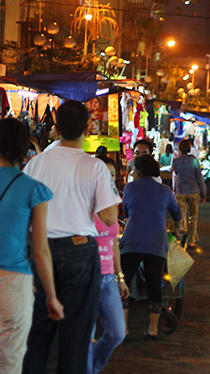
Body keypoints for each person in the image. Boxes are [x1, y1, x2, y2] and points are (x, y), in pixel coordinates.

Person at [22, 100, 121, 374]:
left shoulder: (35, 165)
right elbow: (110, 218)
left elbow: (25, 212)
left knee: (37, 334)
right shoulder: (95, 168)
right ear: (88, 127)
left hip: (41, 251)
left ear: (55, 127)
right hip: (79, 253)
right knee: (76, 337)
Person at [0, 118, 63, 374]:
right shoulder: (33, 189)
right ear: (23, 147)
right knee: (10, 360)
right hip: (14, 284)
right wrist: (51, 296)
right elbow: (40, 250)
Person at [119, 154, 183, 339]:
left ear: (138, 172)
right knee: (155, 285)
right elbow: (176, 212)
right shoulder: (165, 190)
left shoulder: (129, 188)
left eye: (133, 170)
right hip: (156, 242)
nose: (132, 172)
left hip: (132, 241)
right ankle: (153, 329)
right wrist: (178, 228)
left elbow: (127, 210)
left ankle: (123, 329)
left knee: (123, 284)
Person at [88, 156, 128, 374]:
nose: (108, 178)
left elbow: (113, 243)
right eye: (104, 174)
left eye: (111, 175)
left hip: (109, 277)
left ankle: (91, 367)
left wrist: (120, 277)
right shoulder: (83, 201)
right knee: (86, 334)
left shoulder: (112, 204)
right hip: (88, 276)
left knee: (117, 332)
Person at [172, 139, 207, 248]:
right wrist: (203, 193)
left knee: (181, 217)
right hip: (194, 191)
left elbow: (176, 175)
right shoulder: (194, 160)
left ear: (179, 148)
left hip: (181, 191)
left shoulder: (176, 161)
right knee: (193, 216)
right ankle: (191, 241)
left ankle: (183, 241)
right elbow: (199, 177)